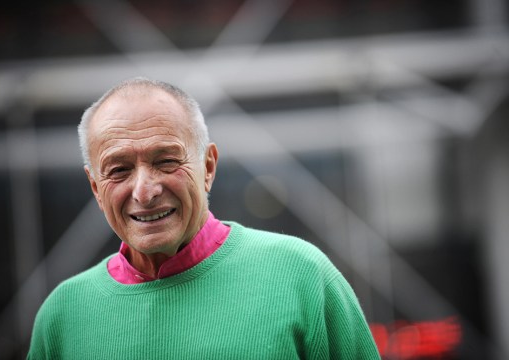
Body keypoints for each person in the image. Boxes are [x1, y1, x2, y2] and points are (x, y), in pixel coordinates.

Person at [28, 77, 380, 359]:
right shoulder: (63, 316)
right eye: (119, 170)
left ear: (208, 167)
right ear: (95, 187)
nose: (144, 191)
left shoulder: (301, 275)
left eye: (166, 161)